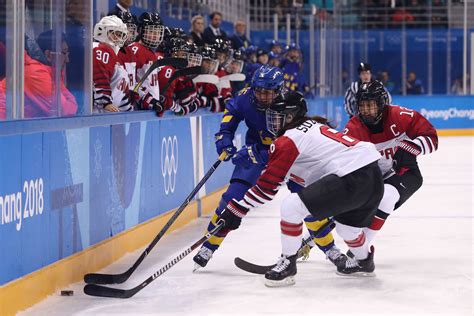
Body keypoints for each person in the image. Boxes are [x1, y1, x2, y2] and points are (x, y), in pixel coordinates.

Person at [216, 91, 384, 286]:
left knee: (291, 207)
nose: (273, 122)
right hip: (372, 176)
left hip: (352, 176)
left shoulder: (289, 139)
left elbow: (267, 187)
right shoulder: (313, 126)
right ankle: (364, 262)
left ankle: (288, 263)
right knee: (347, 230)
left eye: (277, 117)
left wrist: (236, 209)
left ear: (290, 116)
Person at [193, 66, 347, 270]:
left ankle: (330, 249)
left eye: (267, 92)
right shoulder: (245, 97)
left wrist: (258, 153)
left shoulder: (289, 103)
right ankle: (209, 246)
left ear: (279, 90)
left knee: (307, 202)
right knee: (232, 198)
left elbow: (295, 140)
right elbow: (230, 116)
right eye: (258, 90)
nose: (262, 96)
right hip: (256, 152)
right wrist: (225, 138)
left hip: (288, 156)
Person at [344, 80, 438, 253]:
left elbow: (431, 138)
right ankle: (307, 244)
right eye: (362, 106)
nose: (365, 111)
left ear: (381, 104)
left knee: (386, 198)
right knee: (342, 207)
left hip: (405, 173)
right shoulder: (353, 128)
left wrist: (411, 147)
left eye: (370, 105)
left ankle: (360, 250)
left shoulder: (401, 116)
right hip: (372, 179)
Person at [24, 30, 78, 118]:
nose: (67, 60)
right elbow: (65, 111)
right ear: (49, 55)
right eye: (64, 53)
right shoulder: (36, 73)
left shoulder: (47, 71)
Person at [93, 15, 132, 113]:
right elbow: (99, 75)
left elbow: (121, 93)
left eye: (120, 35)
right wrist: (104, 101)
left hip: (108, 114)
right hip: (95, 112)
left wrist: (129, 110)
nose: (118, 38)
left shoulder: (116, 61)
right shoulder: (100, 49)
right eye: (115, 34)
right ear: (102, 31)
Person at [129, 12, 165, 114]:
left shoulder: (151, 52)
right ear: (141, 31)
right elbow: (130, 81)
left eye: (158, 32)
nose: (155, 36)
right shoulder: (135, 50)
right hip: (137, 109)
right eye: (151, 31)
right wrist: (147, 99)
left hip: (150, 108)